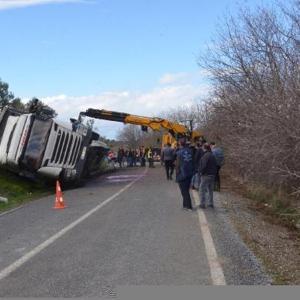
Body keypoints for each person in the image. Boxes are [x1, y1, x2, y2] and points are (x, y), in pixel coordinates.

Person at [176, 138, 194, 211]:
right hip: (190, 172)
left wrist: (177, 174)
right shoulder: (191, 151)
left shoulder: (179, 152)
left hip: (182, 174)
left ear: (180, 143)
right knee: (186, 190)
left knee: (184, 191)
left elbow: (178, 165)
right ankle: (185, 205)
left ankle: (189, 206)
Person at [198, 143, 218, 209]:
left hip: (206, 175)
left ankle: (202, 204)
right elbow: (216, 165)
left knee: (202, 189)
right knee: (210, 190)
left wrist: (200, 172)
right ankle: (210, 204)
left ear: (204, 148)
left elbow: (203, 166)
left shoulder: (205, 156)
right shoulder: (212, 155)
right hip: (212, 175)